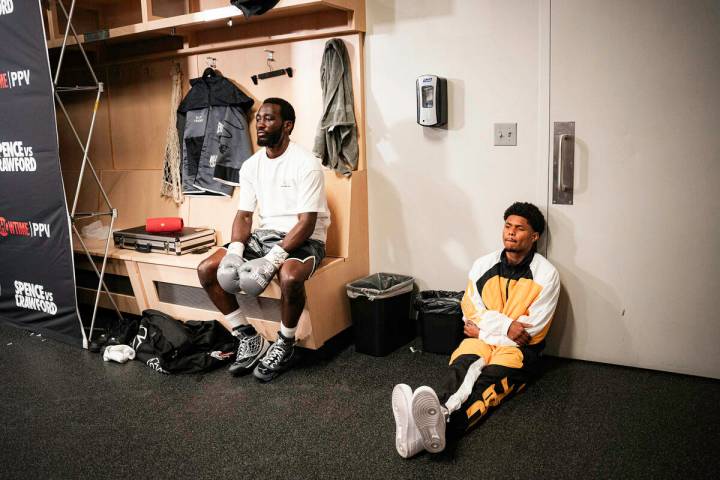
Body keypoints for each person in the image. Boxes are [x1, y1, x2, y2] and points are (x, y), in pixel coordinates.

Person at [392, 202, 560, 458]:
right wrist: (506, 325)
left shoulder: (546, 275)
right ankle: (434, 415)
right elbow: (471, 312)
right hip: (483, 340)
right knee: (461, 369)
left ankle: (437, 426)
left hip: (521, 352)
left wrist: (484, 330)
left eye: (520, 229)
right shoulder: (483, 265)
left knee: (486, 384)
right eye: (507, 226)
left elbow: (532, 332)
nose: (511, 233)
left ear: (534, 236)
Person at [197, 98, 330, 382]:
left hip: (304, 238)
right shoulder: (251, 165)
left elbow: (306, 223)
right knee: (208, 269)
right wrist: (235, 251)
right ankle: (248, 337)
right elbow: (244, 216)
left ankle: (285, 342)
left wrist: (273, 259)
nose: (260, 123)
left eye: (268, 119)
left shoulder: (306, 164)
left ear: (287, 125)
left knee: (291, 277)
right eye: (258, 118)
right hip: (263, 235)